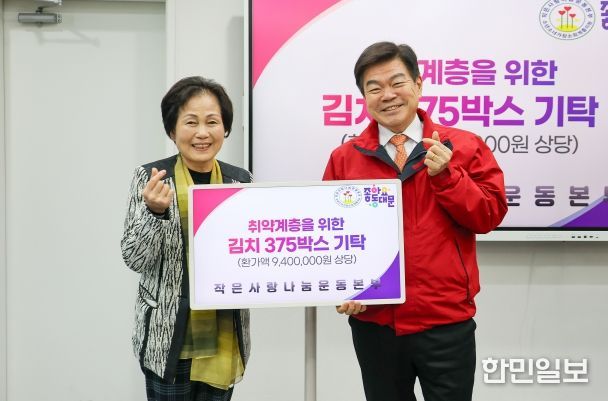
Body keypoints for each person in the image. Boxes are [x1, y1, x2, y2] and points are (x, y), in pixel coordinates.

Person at [323, 42, 508, 401]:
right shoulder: (345, 158)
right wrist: (344, 288)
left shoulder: (463, 146)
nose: (387, 95)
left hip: (445, 319)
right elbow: (332, 235)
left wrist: (448, 176)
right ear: (364, 97)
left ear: (418, 85)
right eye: (374, 88)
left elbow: (489, 215)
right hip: (375, 322)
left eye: (397, 83)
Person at [121, 76, 251, 401]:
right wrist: (154, 212)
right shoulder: (151, 178)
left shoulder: (240, 181)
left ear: (225, 128)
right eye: (191, 122)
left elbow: (251, 254)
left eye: (212, 122)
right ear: (172, 130)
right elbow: (135, 258)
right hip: (168, 335)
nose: (202, 133)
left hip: (223, 334)